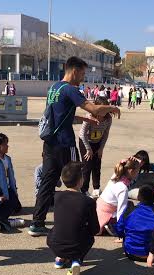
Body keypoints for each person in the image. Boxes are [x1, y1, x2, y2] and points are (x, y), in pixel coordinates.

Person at [30, 57, 120, 237]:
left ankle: (37, 223)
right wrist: (112, 108)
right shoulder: (71, 90)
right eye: (82, 73)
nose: (83, 78)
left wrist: (85, 119)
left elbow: (61, 115)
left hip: (50, 143)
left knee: (47, 183)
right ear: (74, 71)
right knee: (76, 180)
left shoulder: (54, 88)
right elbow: (94, 109)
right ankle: (78, 220)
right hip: (65, 143)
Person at [47, 162, 99, 275]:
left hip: (55, 244)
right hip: (77, 246)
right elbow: (95, 229)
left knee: (57, 229)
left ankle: (60, 258)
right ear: (81, 180)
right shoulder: (88, 201)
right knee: (88, 237)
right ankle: (76, 260)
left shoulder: (57, 197)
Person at [79, 96, 113, 196]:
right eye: (101, 109)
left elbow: (106, 134)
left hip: (98, 142)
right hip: (85, 142)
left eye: (105, 109)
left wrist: (101, 148)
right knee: (87, 166)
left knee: (97, 165)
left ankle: (96, 188)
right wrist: (88, 149)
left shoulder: (108, 119)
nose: (103, 112)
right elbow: (82, 134)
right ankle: (84, 189)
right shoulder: (89, 117)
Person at [96, 157, 140, 235]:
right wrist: (121, 232)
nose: (138, 173)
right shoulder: (123, 188)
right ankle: (110, 226)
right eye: (137, 171)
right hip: (106, 214)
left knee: (130, 205)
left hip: (98, 208)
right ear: (131, 171)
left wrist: (127, 160)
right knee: (133, 216)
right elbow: (121, 212)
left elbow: (123, 164)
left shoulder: (116, 176)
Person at [115, 184, 154, 261]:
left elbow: (119, 228)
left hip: (130, 253)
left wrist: (122, 235)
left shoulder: (129, 211)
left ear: (138, 197)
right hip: (152, 255)